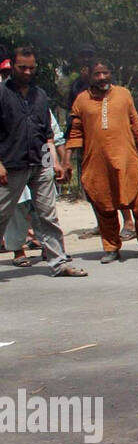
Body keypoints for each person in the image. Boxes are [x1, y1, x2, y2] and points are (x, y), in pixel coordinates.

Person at [65, 60, 138, 262]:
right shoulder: (81, 101)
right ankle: (111, 247)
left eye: (106, 73)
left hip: (128, 161)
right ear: (90, 76)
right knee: (104, 206)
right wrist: (66, 161)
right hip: (97, 165)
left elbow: (136, 126)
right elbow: (75, 133)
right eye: (97, 74)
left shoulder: (123, 94)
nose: (102, 77)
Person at [0, 47, 85, 276]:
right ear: (13, 67)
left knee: (48, 214)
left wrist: (54, 163)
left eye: (31, 68)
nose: (27, 72)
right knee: (2, 214)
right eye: (22, 68)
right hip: (11, 166)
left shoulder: (40, 96)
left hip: (40, 165)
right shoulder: (2, 94)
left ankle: (59, 262)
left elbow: (47, 135)